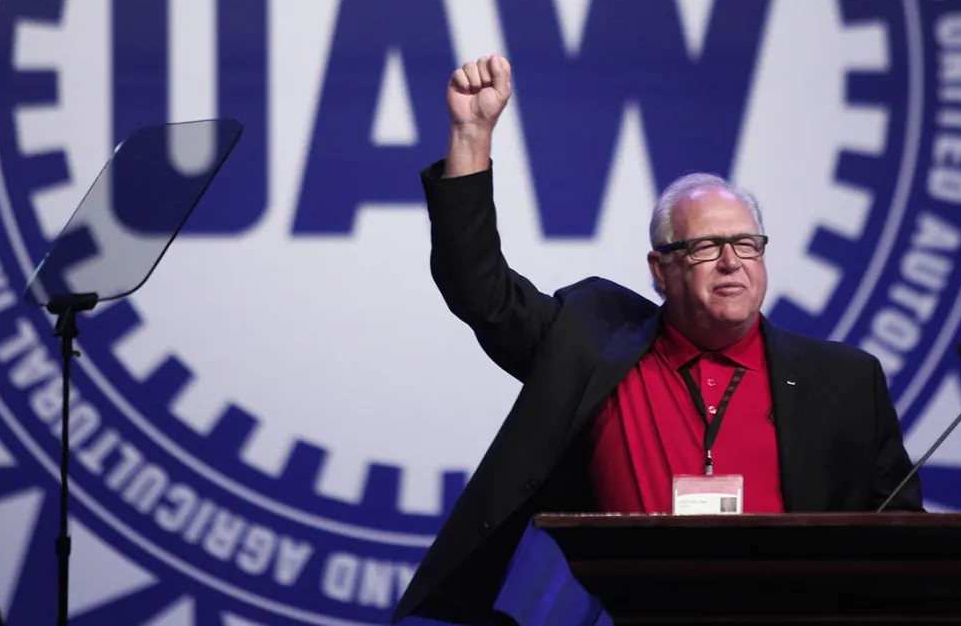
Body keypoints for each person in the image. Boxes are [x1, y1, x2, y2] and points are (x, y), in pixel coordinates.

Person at [395, 56, 922, 625]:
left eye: (747, 245)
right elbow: (480, 289)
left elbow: (902, 542)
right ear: (661, 268)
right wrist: (471, 136)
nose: (730, 263)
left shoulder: (845, 382)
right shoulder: (593, 343)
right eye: (705, 247)